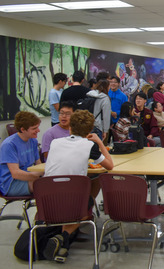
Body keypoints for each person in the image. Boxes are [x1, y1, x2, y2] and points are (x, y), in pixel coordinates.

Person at [43, 109, 113, 263]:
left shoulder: (55, 142)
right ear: (89, 131)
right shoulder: (89, 146)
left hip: (46, 201)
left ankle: (63, 247)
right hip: (71, 201)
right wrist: (100, 142)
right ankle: (63, 236)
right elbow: (110, 165)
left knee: (72, 200)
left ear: (70, 127)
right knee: (85, 202)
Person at [0, 112, 42, 196]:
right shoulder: (9, 145)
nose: (38, 130)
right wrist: (38, 178)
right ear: (23, 129)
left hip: (28, 177)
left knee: (53, 183)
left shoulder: (33, 141)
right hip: (11, 183)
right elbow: (15, 173)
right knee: (45, 186)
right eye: (34, 128)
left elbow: (39, 165)